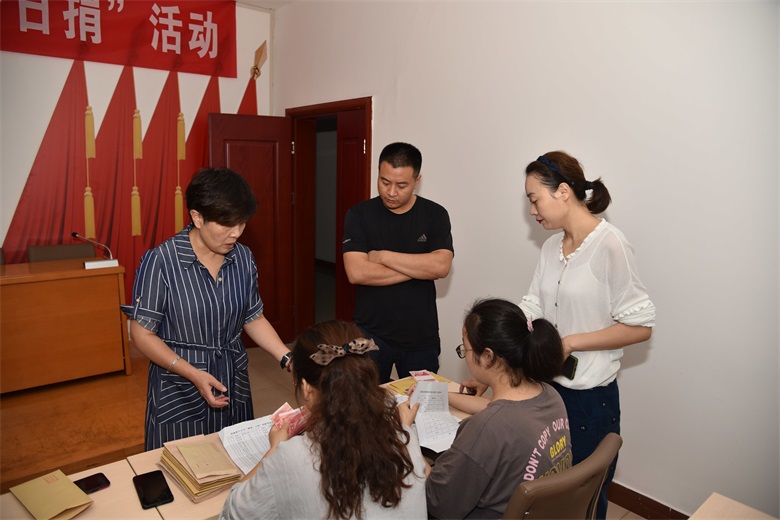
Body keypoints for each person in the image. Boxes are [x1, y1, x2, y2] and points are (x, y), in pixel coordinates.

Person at [520, 151, 656, 519]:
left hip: (588, 402)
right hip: (546, 389)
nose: (532, 210)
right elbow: (533, 304)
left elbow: (641, 326)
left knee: (582, 504)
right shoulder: (551, 247)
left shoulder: (610, 244)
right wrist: (502, 336)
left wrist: (571, 342)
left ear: (563, 192)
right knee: (547, 497)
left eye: (535, 199)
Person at [122, 167, 292, 451]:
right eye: (227, 224)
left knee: (237, 461)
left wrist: (287, 357)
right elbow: (142, 334)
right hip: (180, 385)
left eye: (242, 223)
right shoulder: (161, 261)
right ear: (197, 217)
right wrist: (193, 374)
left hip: (232, 379)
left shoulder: (243, 258)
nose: (236, 233)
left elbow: (253, 317)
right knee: (183, 466)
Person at [220, 320, 428, 519]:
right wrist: (404, 428)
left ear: (306, 388)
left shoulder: (291, 457)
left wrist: (274, 449)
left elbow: (233, 511)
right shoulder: (404, 439)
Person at [418, 298, 571, 519]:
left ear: (488, 357)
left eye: (465, 348)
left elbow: (437, 502)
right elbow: (499, 410)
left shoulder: (486, 428)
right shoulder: (550, 396)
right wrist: (444, 396)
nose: (465, 355)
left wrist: (405, 442)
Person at [342, 142, 454, 383]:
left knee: (422, 403)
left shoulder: (435, 215)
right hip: (369, 332)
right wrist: (421, 268)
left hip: (420, 336)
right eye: (384, 182)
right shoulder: (359, 215)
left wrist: (383, 256)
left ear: (417, 181)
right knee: (366, 401)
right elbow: (357, 272)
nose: (391, 192)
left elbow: (441, 267)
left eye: (401, 185)